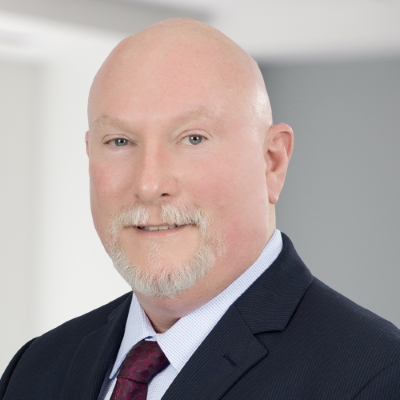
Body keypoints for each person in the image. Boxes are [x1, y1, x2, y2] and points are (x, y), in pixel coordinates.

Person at [1, 18, 400, 400]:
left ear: (272, 162)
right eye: (119, 142)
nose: (149, 185)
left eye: (193, 139)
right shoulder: (36, 368)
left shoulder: (377, 376)